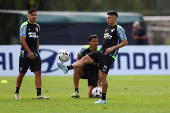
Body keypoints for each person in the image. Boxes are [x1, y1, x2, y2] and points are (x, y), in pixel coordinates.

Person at [57, 11, 128, 103]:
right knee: (84, 59)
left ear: (115, 19)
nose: (107, 20)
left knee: (103, 77)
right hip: (101, 52)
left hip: (108, 56)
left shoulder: (119, 29)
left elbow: (125, 42)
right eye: (107, 18)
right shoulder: (107, 29)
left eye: (109, 18)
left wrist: (112, 48)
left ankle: (103, 99)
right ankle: (67, 68)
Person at [15, 8, 49, 99]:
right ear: (28, 16)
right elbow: (22, 40)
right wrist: (29, 52)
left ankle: (39, 94)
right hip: (25, 55)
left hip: (35, 54)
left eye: (35, 15)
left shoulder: (37, 26)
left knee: (38, 73)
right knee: (22, 74)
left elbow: (37, 39)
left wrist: (37, 51)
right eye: (32, 15)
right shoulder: (24, 26)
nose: (34, 16)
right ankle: (17, 92)